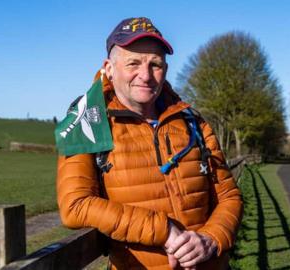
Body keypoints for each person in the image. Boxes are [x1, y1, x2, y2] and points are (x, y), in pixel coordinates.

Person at [56, 17, 243, 270]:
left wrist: (211, 239)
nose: (145, 75)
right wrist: (164, 230)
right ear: (109, 68)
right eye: (133, 63)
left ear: (165, 69)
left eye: (155, 64)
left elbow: (229, 197)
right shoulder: (87, 122)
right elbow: (75, 206)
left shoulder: (193, 123)